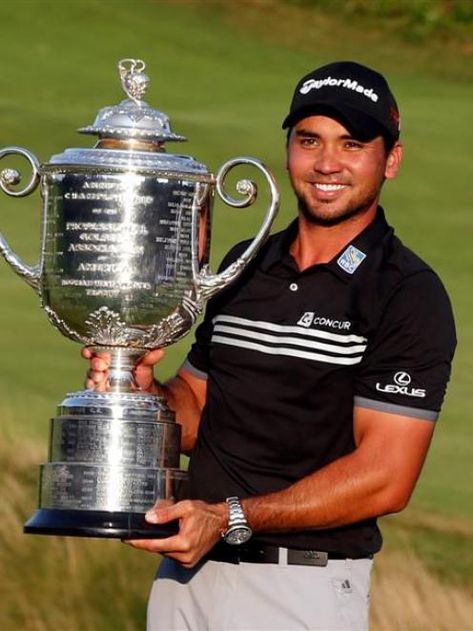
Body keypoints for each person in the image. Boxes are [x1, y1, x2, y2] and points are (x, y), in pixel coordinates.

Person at [85, 61, 456, 630]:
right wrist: (144, 391)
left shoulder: (406, 293)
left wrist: (231, 517)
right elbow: (197, 415)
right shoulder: (245, 263)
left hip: (299, 586)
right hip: (187, 581)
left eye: (352, 144)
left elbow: (386, 475)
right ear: (288, 150)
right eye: (310, 140)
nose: (327, 163)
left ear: (391, 160)